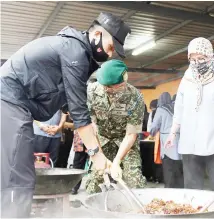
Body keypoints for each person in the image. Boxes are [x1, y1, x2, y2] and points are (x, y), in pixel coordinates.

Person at [0, 12, 131, 217]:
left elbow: (70, 103)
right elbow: (79, 112)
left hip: (13, 104)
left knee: (16, 172)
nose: (111, 54)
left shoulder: (76, 52)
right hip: (8, 101)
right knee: (18, 178)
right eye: (111, 47)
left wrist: (93, 139)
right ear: (97, 34)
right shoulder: (74, 52)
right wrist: (97, 156)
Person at [165, 37, 214, 192]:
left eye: (201, 58)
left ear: (210, 56)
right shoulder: (187, 78)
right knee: (192, 187)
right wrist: (173, 133)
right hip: (189, 141)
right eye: (192, 59)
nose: (196, 63)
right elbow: (179, 107)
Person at [85, 59, 147, 194]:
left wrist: (117, 161)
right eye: (105, 86)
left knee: (134, 180)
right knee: (96, 179)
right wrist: (99, 156)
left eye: (112, 86)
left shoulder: (135, 97)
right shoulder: (91, 91)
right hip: (101, 140)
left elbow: (131, 134)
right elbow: (91, 128)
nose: (107, 89)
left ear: (123, 82)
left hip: (124, 141)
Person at [150, 92, 184, 188]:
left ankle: (170, 190)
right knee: (180, 171)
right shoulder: (179, 109)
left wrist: (153, 133)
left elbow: (154, 127)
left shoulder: (161, 110)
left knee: (169, 170)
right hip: (181, 142)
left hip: (168, 143)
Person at [71, 131, 89, 195]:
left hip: (94, 137)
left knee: (97, 161)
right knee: (77, 165)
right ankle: (74, 186)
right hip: (80, 137)